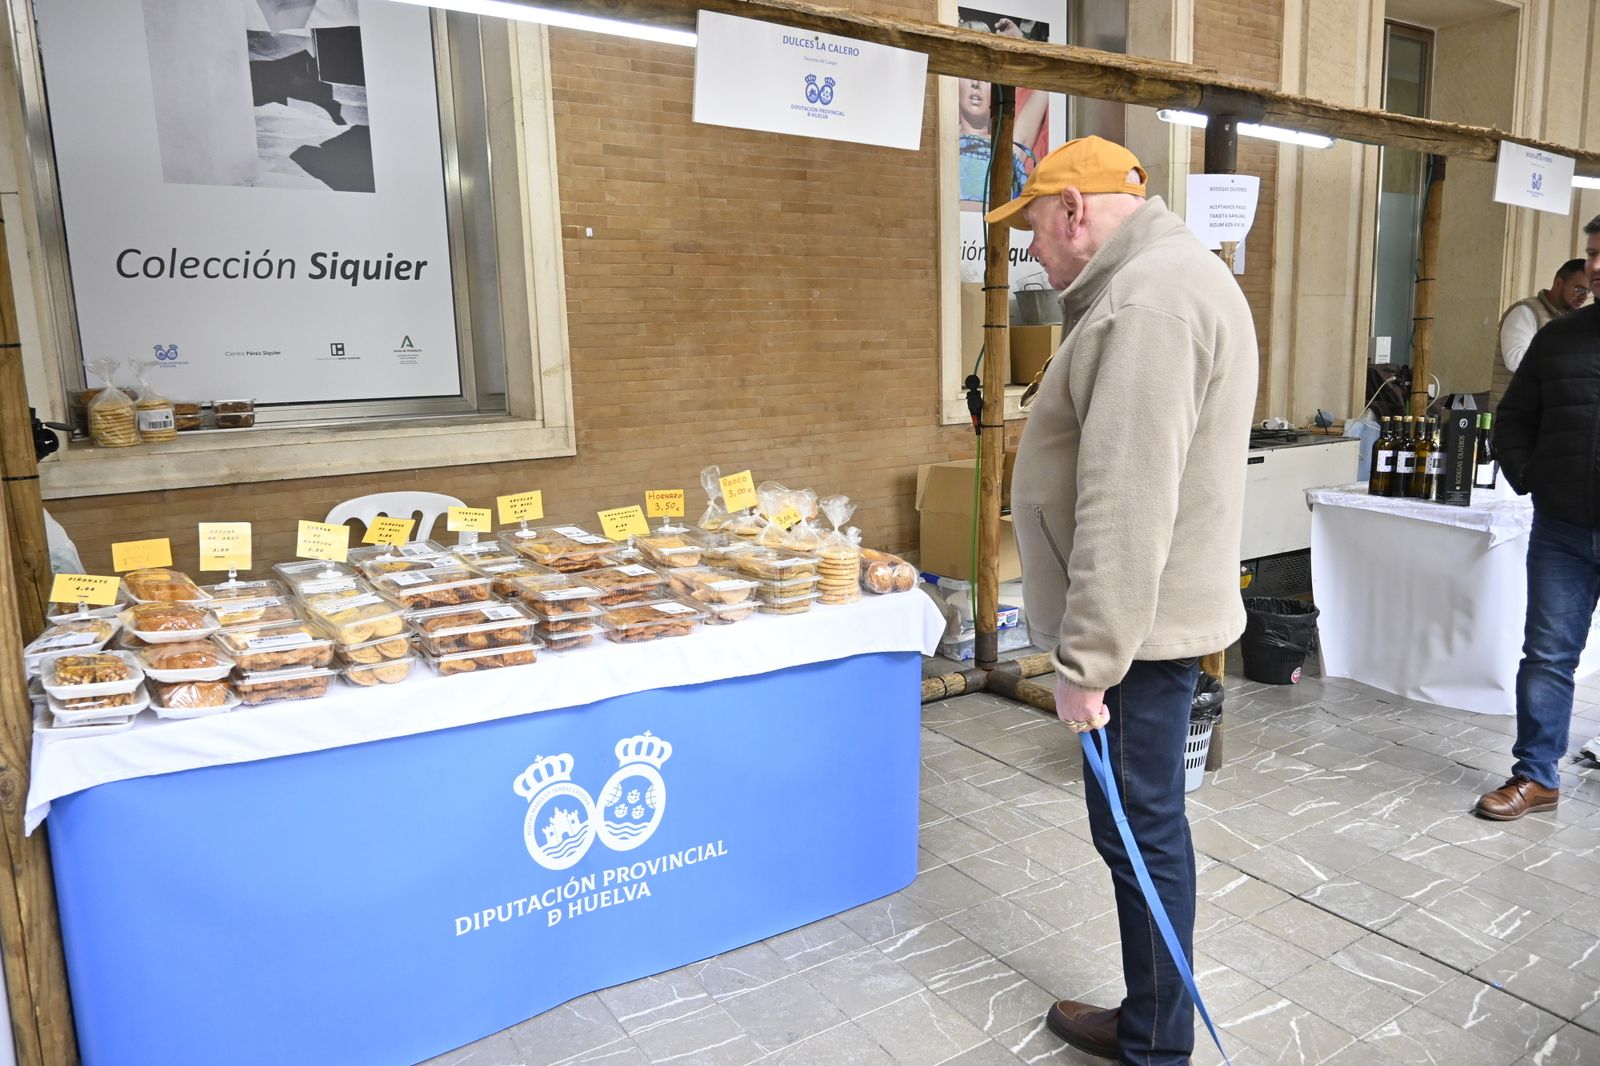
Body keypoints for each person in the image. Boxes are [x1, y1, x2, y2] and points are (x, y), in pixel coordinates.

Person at [983, 137, 1257, 1064]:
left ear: (1072, 211)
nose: (1036, 254)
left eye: (1034, 233)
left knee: (1142, 835)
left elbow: (1126, 501)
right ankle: (1150, 1020)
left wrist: (1085, 663)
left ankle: (1157, 1046)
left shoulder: (1148, 302)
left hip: (1136, 635)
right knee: (1138, 828)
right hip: (1150, 622)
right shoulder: (1168, 279)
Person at [1478, 218, 1600, 819]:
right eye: (1592, 255)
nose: (1595, 268)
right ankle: (1536, 776)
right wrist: (1533, 477)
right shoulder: (1560, 340)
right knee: (1548, 655)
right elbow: (1513, 417)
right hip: (1564, 529)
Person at [1499, 258, 1591, 374]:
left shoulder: (1573, 320)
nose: (1583, 297)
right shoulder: (1525, 311)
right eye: (1578, 289)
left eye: (1588, 292)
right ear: (1559, 283)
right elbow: (1514, 360)